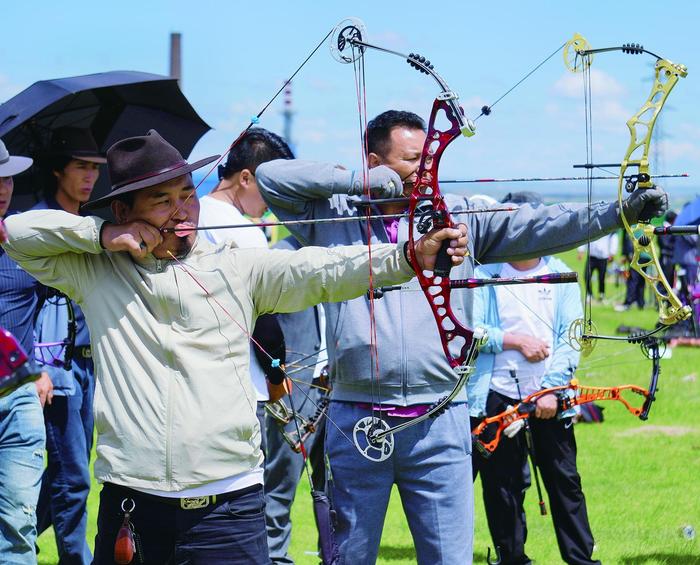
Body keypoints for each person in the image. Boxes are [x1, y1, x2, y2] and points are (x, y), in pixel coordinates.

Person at [0, 129, 468, 564]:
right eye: (161, 201)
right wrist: (100, 236)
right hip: (132, 505)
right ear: (124, 212)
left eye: (187, 195)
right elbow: (17, 235)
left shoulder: (237, 268)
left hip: (230, 509)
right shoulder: (95, 272)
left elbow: (322, 269)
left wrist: (409, 256)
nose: (182, 211)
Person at [256, 109, 668, 564]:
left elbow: (542, 224)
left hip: (440, 422)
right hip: (358, 423)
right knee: (348, 558)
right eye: (412, 161)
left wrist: (620, 212)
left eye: (429, 159)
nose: (424, 173)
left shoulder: (458, 218)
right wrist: (362, 182)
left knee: (450, 559)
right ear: (374, 161)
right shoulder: (331, 217)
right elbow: (270, 177)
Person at [468, 251, 599, 565]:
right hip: (497, 396)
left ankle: (581, 559)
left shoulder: (561, 274)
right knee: (503, 484)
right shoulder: (486, 274)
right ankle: (512, 558)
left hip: (550, 399)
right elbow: (473, 330)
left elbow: (571, 337)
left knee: (564, 480)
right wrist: (514, 340)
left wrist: (550, 390)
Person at [33, 127, 105, 565]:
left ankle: (12, 525)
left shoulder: (94, 225)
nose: (90, 177)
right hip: (53, 365)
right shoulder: (35, 226)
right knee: (74, 475)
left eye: (95, 168)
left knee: (69, 472)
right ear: (57, 169)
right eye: (81, 167)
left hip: (91, 364)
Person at [199, 127, 295, 451]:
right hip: (241, 387)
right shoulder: (245, 233)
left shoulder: (190, 214)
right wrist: (277, 374)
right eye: (271, 189)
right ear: (245, 178)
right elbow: (263, 320)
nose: (273, 203)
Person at [263, 237, 328, 564]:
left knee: (336, 493)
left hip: (338, 388)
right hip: (294, 390)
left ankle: (334, 558)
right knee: (279, 489)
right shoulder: (281, 255)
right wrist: (276, 374)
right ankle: (275, 560)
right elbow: (262, 325)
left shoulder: (340, 248)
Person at [0, 139, 47, 564]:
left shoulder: (25, 240)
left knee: (18, 520)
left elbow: (69, 296)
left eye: (8, 177)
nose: (2, 187)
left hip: (17, 395)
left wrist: (44, 366)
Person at [577, 232, 619, 302]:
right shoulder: (591, 227)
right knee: (587, 276)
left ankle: (601, 294)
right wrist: (581, 250)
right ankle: (589, 294)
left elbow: (613, 238)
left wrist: (612, 253)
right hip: (592, 256)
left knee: (601, 277)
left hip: (603, 257)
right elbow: (585, 237)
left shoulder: (608, 228)